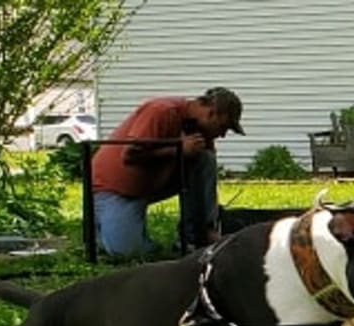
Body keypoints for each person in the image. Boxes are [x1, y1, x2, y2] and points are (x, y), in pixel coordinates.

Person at [92, 87, 245, 261]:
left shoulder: (201, 130)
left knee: (205, 158)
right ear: (211, 113)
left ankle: (195, 237)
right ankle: (102, 226)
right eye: (223, 127)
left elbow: (204, 181)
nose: (223, 135)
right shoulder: (161, 111)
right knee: (128, 252)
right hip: (115, 187)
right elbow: (130, 155)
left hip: (149, 183)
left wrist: (208, 225)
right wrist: (178, 149)